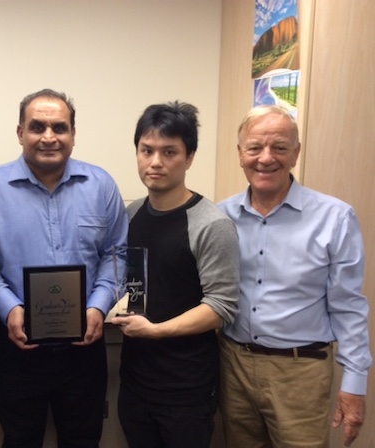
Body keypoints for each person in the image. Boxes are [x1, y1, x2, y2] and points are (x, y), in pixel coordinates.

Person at [0, 88, 128, 448]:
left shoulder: (101, 186)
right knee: (19, 439)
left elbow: (117, 255)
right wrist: (9, 307)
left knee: (83, 440)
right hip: (14, 345)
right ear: (20, 132)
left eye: (59, 127)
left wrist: (98, 305)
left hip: (84, 346)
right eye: (37, 127)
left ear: (73, 134)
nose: (49, 137)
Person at [218, 105, 372, 447]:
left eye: (279, 147)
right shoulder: (220, 217)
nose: (266, 158)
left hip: (301, 372)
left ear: (296, 153)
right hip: (233, 366)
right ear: (240, 154)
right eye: (255, 147)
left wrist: (355, 382)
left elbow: (348, 306)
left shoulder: (335, 218)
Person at [110, 101, 240, 448]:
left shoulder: (211, 224)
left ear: (189, 157)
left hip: (187, 388)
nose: (156, 162)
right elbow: (132, 287)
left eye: (169, 152)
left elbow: (221, 307)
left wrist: (156, 331)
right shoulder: (131, 214)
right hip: (135, 381)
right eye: (147, 150)